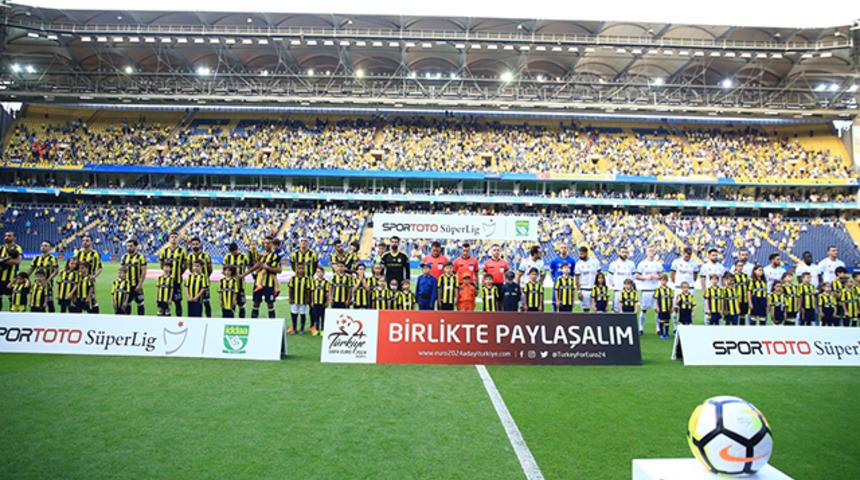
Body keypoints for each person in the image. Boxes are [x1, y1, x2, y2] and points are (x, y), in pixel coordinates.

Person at [248, 236, 282, 319]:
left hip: (269, 283)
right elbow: (252, 266)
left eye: (268, 243)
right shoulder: (260, 255)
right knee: (256, 303)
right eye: (265, 243)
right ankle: (253, 323)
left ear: (272, 244)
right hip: (258, 282)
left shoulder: (275, 255)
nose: (266, 245)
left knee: (270, 304)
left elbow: (279, 270)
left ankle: (272, 324)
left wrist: (268, 268)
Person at [635, 247, 663, 333]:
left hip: (655, 290)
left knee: (657, 310)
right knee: (643, 310)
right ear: (646, 252)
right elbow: (637, 276)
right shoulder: (642, 264)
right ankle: (641, 328)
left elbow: (662, 275)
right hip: (645, 290)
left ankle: (658, 328)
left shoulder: (658, 264)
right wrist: (646, 277)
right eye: (649, 251)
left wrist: (657, 277)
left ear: (655, 252)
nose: (651, 252)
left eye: (652, 251)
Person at [159, 232, 187, 317]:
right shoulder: (164, 250)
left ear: (178, 239)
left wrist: (179, 273)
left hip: (176, 281)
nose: (174, 238)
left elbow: (185, 265)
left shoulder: (182, 251)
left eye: (175, 237)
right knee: (164, 302)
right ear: (169, 239)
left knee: (178, 302)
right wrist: (166, 273)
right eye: (172, 237)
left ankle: (179, 319)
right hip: (166, 281)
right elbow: (161, 264)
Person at [670, 247, 699, 327]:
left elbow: (695, 276)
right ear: (683, 254)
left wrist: (689, 284)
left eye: (689, 255)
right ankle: (676, 327)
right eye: (686, 255)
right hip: (678, 288)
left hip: (690, 289)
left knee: (689, 307)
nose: (687, 257)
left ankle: (688, 324)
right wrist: (677, 284)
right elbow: (672, 274)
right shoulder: (676, 262)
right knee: (676, 307)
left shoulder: (694, 263)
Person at [29, 240, 58, 312]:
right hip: (37, 284)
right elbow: (31, 269)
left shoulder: (52, 258)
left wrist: (47, 281)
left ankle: (52, 318)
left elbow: (56, 271)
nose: (43, 247)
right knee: (37, 301)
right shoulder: (36, 258)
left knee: (50, 303)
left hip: (48, 285)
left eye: (45, 246)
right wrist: (25, 278)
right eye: (42, 245)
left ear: (50, 248)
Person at [120, 239, 147, 316]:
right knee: (126, 304)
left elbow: (144, 272)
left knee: (140, 303)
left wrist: (140, 284)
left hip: (137, 285)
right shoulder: (124, 257)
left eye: (131, 246)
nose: (128, 248)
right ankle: (128, 321)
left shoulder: (140, 257)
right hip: (127, 285)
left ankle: (141, 321)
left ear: (136, 246)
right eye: (127, 246)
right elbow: (121, 271)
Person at [188, 237, 213, 317]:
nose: (195, 246)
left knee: (206, 302)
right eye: (193, 244)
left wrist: (205, 278)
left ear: (200, 244)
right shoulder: (190, 256)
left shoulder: (206, 255)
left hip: (204, 283)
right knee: (195, 301)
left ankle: (208, 319)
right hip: (194, 283)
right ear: (191, 245)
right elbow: (190, 268)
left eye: (197, 244)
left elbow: (210, 269)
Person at [223, 243, 250, 318]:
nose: (232, 254)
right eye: (231, 252)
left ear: (237, 249)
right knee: (231, 304)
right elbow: (223, 270)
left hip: (240, 285)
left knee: (241, 304)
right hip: (230, 285)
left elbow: (250, 269)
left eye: (234, 252)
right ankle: (231, 321)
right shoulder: (227, 257)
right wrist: (228, 275)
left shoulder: (244, 257)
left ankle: (242, 321)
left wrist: (243, 275)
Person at [608, 246, 635, 313]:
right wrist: (613, 284)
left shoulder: (631, 264)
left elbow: (633, 277)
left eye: (626, 252)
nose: (624, 254)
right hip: (618, 290)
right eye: (623, 252)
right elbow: (610, 276)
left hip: (628, 292)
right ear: (619, 252)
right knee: (616, 311)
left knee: (628, 311)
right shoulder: (614, 264)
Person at [0, 231, 23, 310]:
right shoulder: (1, 248)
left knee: (12, 300)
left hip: (11, 279)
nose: (6, 237)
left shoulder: (17, 248)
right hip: (0, 278)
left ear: (14, 238)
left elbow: (18, 261)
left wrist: (2, 261)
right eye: (5, 236)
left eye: (9, 236)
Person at [574, 246, 601, 312]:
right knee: (586, 310)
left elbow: (600, 275)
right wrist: (578, 292)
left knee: (597, 308)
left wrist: (600, 288)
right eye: (579, 254)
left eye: (582, 254)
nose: (580, 255)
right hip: (584, 290)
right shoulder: (578, 264)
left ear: (586, 253)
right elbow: (577, 279)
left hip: (595, 289)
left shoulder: (595, 262)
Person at [288, 263, 312, 334]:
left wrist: (308, 299)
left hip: (303, 300)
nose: (300, 270)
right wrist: (290, 298)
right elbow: (290, 289)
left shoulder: (307, 279)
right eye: (299, 268)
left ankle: (302, 328)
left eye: (302, 268)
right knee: (294, 313)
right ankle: (294, 328)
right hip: (294, 299)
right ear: (296, 269)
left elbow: (308, 290)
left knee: (302, 314)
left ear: (304, 269)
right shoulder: (293, 278)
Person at [310, 266, 328, 335]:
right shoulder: (314, 281)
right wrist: (312, 301)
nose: (319, 273)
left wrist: (327, 301)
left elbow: (327, 292)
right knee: (316, 316)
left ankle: (323, 329)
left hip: (322, 302)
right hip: (315, 302)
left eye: (320, 272)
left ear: (323, 273)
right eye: (317, 272)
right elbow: (312, 292)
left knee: (323, 316)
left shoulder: (326, 282)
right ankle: (317, 329)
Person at [733, 261, 751, 325]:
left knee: (742, 316)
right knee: (734, 317)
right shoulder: (732, 276)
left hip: (744, 300)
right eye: (739, 266)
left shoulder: (746, 276)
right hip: (735, 300)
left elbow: (749, 288)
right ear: (735, 267)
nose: (740, 267)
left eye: (741, 266)